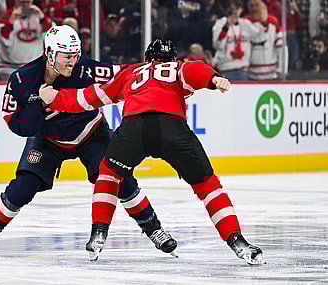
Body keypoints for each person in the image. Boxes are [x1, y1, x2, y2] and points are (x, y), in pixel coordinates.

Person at [40, 39, 265, 265]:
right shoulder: (177, 67)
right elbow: (194, 69)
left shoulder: (132, 71)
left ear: (148, 58)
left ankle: (98, 233)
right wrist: (214, 79)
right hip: (172, 128)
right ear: (173, 57)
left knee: (108, 174)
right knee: (208, 186)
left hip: (133, 128)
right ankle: (237, 241)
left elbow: (92, 97)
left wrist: (55, 99)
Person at [0, 26, 177, 257]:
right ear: (50, 54)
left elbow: (125, 73)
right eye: (67, 56)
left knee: (119, 179)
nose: (73, 61)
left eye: (76, 55)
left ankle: (154, 229)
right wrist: (39, 103)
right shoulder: (21, 80)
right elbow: (17, 126)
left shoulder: (87, 69)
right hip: (47, 140)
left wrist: (157, 67)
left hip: (91, 134)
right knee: (23, 188)